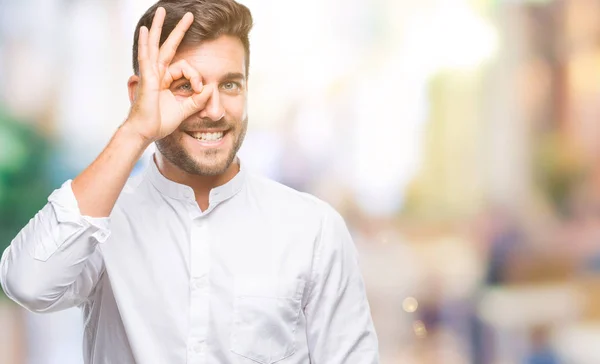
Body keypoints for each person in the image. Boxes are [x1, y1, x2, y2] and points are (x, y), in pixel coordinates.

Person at [0, 0, 380, 363]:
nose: (213, 110)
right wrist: (136, 129)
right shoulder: (104, 221)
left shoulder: (313, 229)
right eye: (185, 86)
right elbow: (28, 284)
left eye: (231, 85)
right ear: (139, 95)